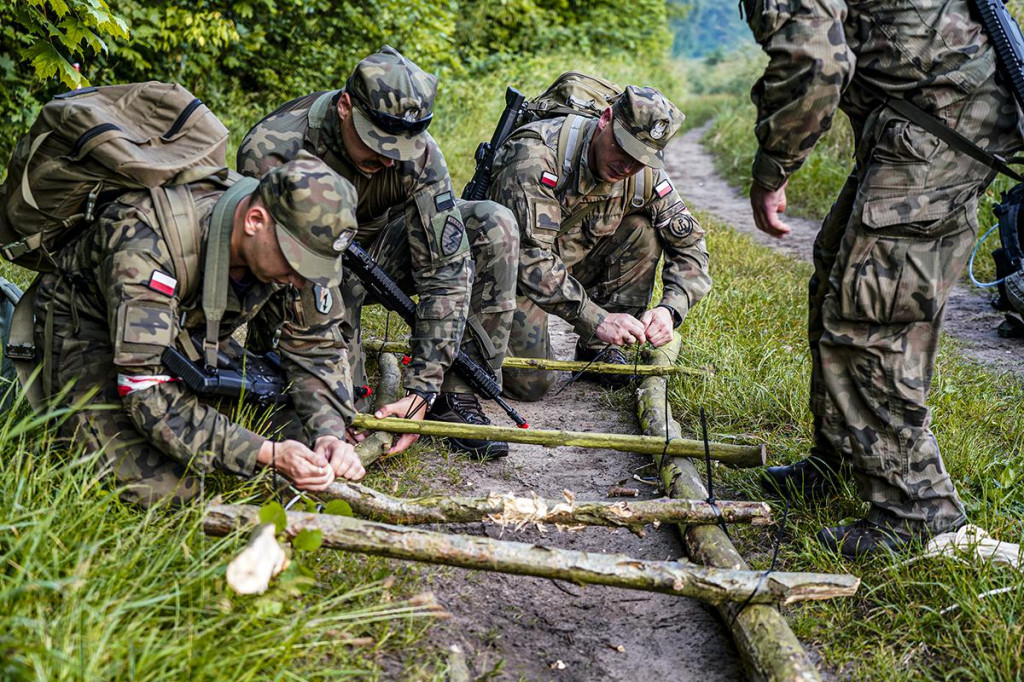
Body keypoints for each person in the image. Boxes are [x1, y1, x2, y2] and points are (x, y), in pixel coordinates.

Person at [744, 0, 1023, 556]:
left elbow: (814, 60)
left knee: (871, 309)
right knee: (836, 272)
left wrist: (773, 167)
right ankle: (845, 456)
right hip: (929, 109)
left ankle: (918, 512)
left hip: (942, 115)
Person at [31, 152, 365, 506]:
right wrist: (265, 453)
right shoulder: (145, 242)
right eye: (297, 263)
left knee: (292, 422)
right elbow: (147, 393)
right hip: (93, 331)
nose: (301, 279)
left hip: (184, 330)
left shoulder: (294, 241)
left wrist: (329, 433)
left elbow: (315, 343)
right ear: (255, 220)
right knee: (169, 490)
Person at [238, 46, 519, 461]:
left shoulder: (419, 153)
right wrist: (333, 406)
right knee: (336, 411)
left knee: (493, 224)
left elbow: (446, 269)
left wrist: (423, 386)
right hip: (305, 273)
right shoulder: (276, 149)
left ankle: (454, 398)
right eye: (376, 142)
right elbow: (275, 275)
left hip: (379, 251)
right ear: (345, 107)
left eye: (400, 148)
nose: (389, 158)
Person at [488, 84, 711, 400]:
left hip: (567, 260)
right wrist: (596, 318)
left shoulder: (641, 173)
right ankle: (472, 335)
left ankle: (600, 348)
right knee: (531, 384)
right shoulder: (536, 156)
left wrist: (670, 309)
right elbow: (528, 258)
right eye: (623, 149)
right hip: (510, 276)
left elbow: (690, 244)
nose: (627, 167)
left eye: (641, 158)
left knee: (643, 232)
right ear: (605, 119)